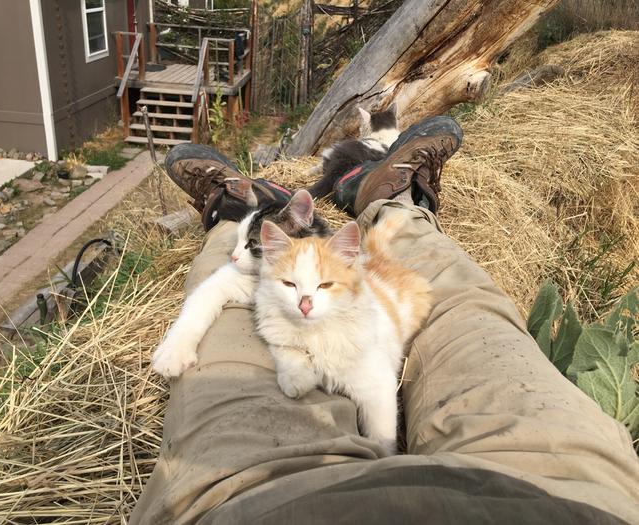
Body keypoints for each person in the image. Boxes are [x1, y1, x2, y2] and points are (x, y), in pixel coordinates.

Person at [130, 117, 639, 524]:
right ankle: (395, 206)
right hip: (563, 493)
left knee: (230, 376)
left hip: (263, 498)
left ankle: (230, 214)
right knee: (471, 314)